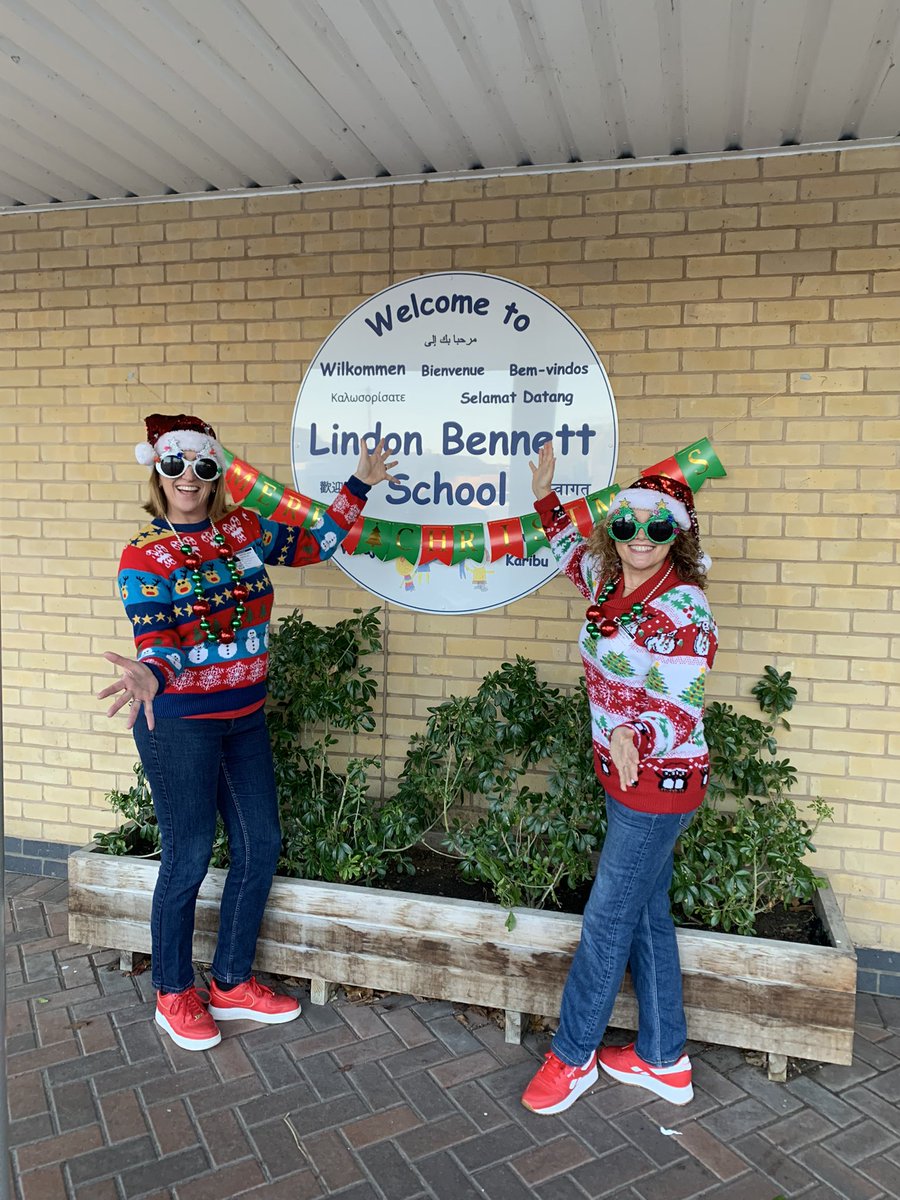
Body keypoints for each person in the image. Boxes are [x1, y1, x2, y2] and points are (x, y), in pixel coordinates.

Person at [99, 413, 397, 1052]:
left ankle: (231, 981)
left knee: (261, 843)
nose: (189, 478)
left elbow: (315, 544)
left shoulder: (242, 529)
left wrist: (358, 486)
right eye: (175, 465)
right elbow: (157, 635)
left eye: (203, 467)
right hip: (179, 724)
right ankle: (174, 992)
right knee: (188, 857)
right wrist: (151, 673)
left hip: (243, 717)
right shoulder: (144, 554)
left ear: (216, 475)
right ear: (158, 470)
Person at [521, 440, 717, 1115]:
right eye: (629, 524)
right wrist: (546, 496)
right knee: (647, 917)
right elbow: (563, 553)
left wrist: (636, 732)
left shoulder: (684, 609)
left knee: (607, 921)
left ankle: (571, 1057)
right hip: (622, 778)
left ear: (678, 536)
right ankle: (665, 1060)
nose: (640, 537)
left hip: (657, 787)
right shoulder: (611, 587)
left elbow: (679, 701)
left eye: (657, 526)